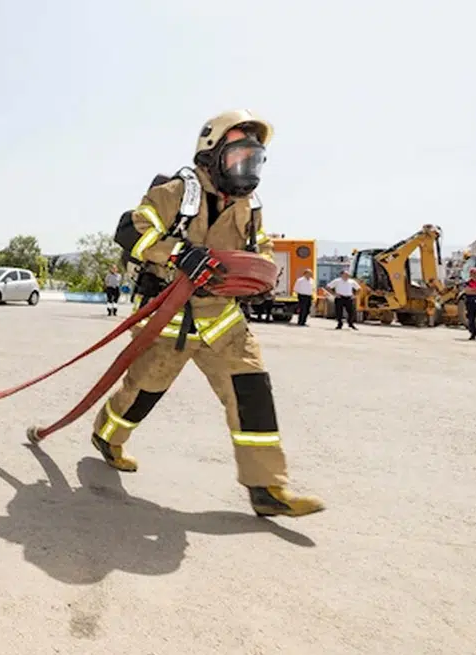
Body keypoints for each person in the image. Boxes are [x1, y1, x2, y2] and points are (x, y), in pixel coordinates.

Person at [98, 109, 324, 518]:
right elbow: (130, 230)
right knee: (143, 391)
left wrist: (260, 277)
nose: (246, 168)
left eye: (253, 160)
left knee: (252, 393)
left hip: (223, 321)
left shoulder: (250, 207)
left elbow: (261, 250)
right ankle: (107, 435)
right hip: (168, 317)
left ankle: (268, 488)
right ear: (212, 152)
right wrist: (179, 253)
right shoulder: (174, 193)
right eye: (239, 156)